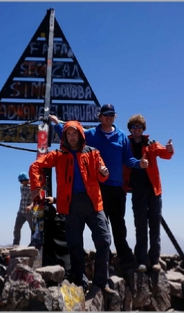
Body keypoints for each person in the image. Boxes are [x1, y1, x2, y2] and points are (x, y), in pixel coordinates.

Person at [49, 104, 148, 270]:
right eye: (105, 115)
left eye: (111, 115)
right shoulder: (91, 134)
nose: (108, 117)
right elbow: (70, 134)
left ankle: (125, 260)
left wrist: (139, 164)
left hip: (117, 188)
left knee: (118, 224)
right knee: (102, 226)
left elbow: (127, 159)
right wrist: (57, 123)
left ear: (114, 117)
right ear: (100, 117)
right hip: (98, 187)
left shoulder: (122, 136)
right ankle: (106, 263)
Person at [29, 120, 118, 295]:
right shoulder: (59, 154)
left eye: (74, 133)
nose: (71, 137)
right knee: (74, 245)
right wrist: (36, 188)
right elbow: (36, 166)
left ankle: (101, 282)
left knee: (104, 240)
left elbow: (102, 177)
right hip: (71, 205)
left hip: (93, 203)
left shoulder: (93, 153)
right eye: (68, 134)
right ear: (64, 136)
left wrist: (104, 172)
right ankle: (80, 280)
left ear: (80, 135)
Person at [123, 114, 174, 272]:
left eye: (139, 127)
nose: (136, 129)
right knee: (140, 225)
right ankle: (141, 260)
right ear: (130, 129)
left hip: (154, 190)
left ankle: (154, 260)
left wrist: (169, 150)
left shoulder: (151, 144)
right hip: (137, 191)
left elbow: (165, 154)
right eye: (133, 127)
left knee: (154, 225)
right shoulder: (126, 144)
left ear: (143, 129)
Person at [12, 172, 34, 246]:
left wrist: (30, 206)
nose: (21, 183)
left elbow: (35, 200)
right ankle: (16, 243)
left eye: (22, 181)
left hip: (29, 212)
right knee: (17, 227)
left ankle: (33, 243)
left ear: (25, 180)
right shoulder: (22, 187)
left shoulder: (31, 188)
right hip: (21, 211)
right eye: (20, 181)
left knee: (33, 229)